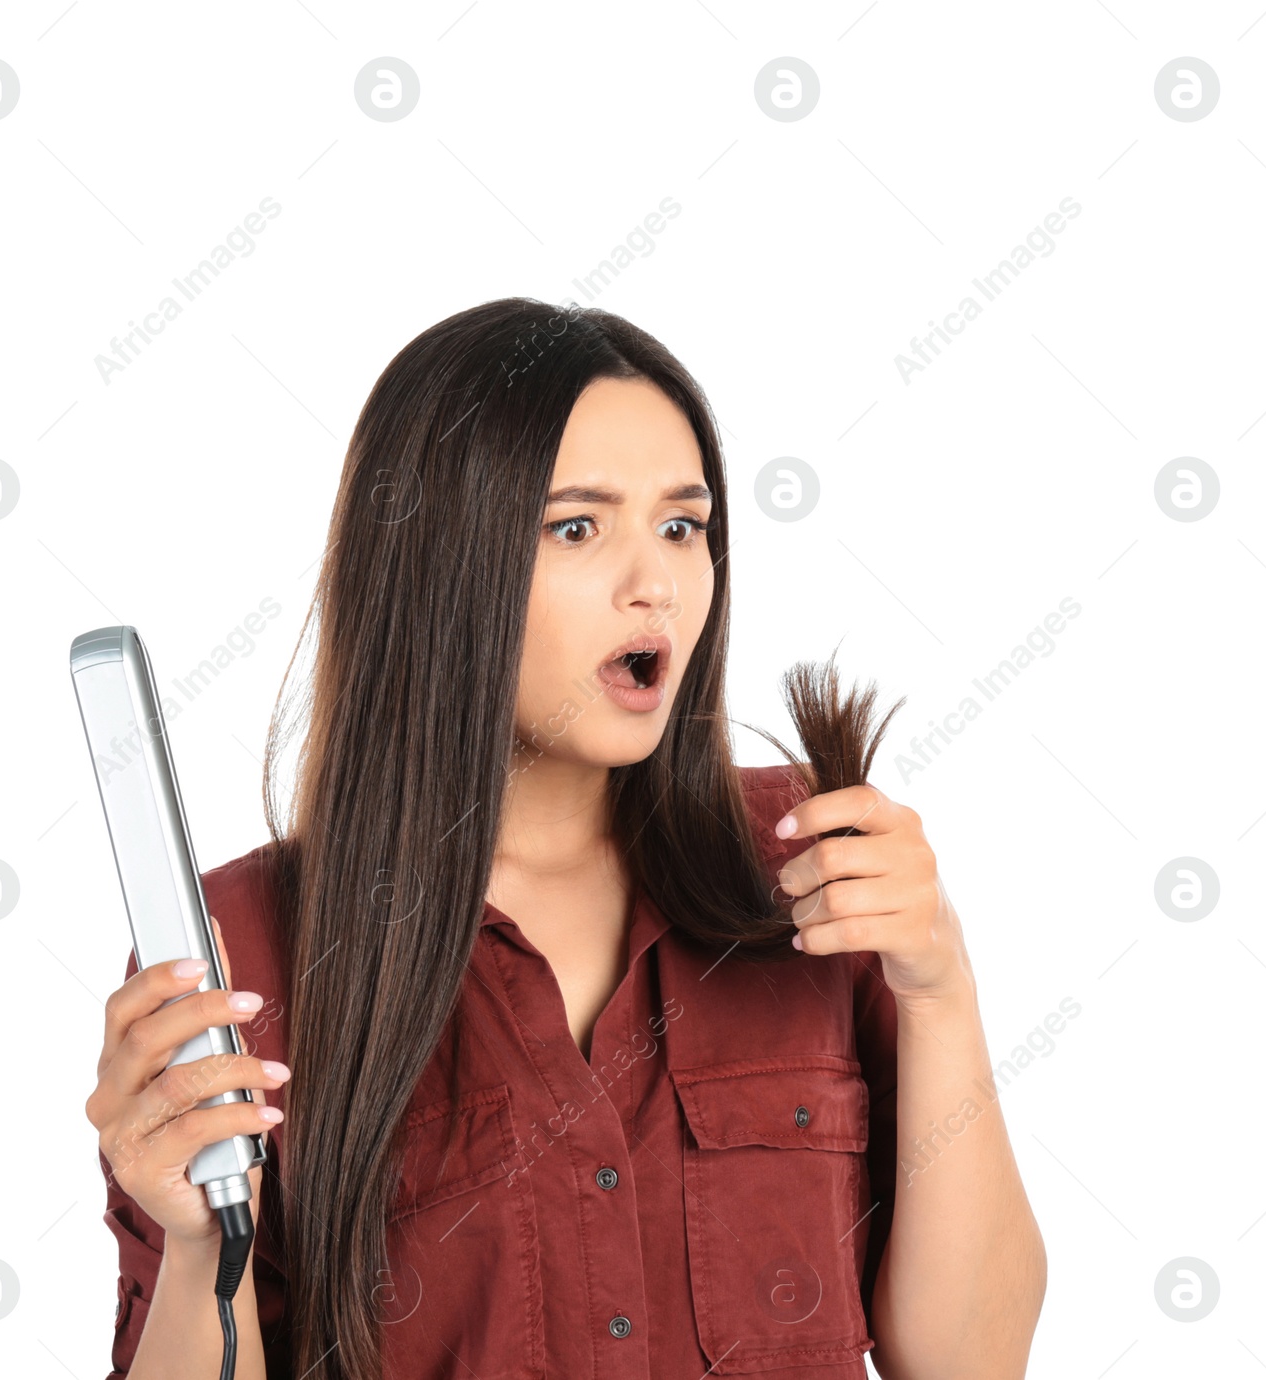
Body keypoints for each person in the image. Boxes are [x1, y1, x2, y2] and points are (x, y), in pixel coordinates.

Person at [84, 297, 1046, 1379]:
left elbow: (971, 1363)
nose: (656, 584)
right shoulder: (242, 954)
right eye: (577, 527)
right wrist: (199, 1238)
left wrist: (938, 989)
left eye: (682, 525)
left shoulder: (808, 864)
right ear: (440, 567)